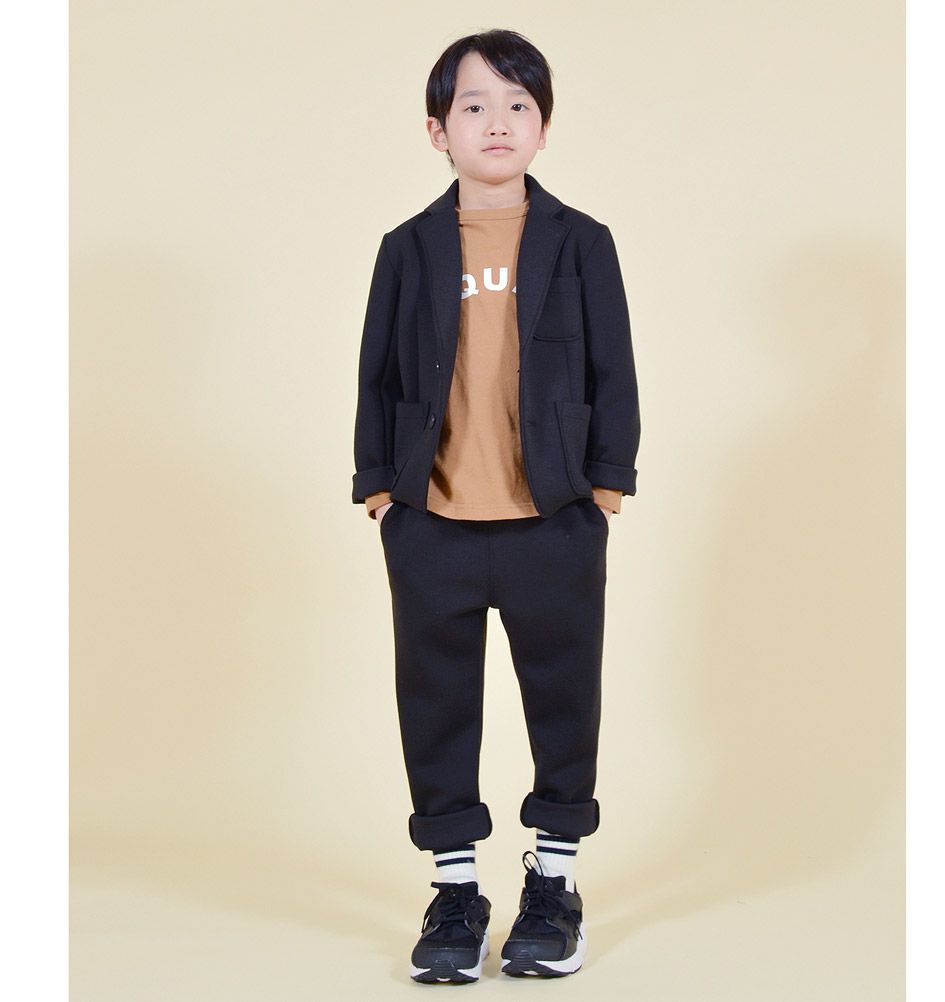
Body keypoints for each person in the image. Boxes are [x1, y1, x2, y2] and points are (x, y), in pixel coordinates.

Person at [351, 28, 640, 983]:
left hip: (553, 519)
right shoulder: (406, 249)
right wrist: (380, 488)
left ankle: (554, 884)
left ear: (544, 127)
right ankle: (455, 893)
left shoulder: (581, 243)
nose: (498, 121)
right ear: (438, 130)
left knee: (564, 697)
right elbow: (378, 373)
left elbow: (614, 368)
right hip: (430, 522)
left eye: (519, 104)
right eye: (473, 105)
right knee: (435, 703)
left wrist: (605, 486)